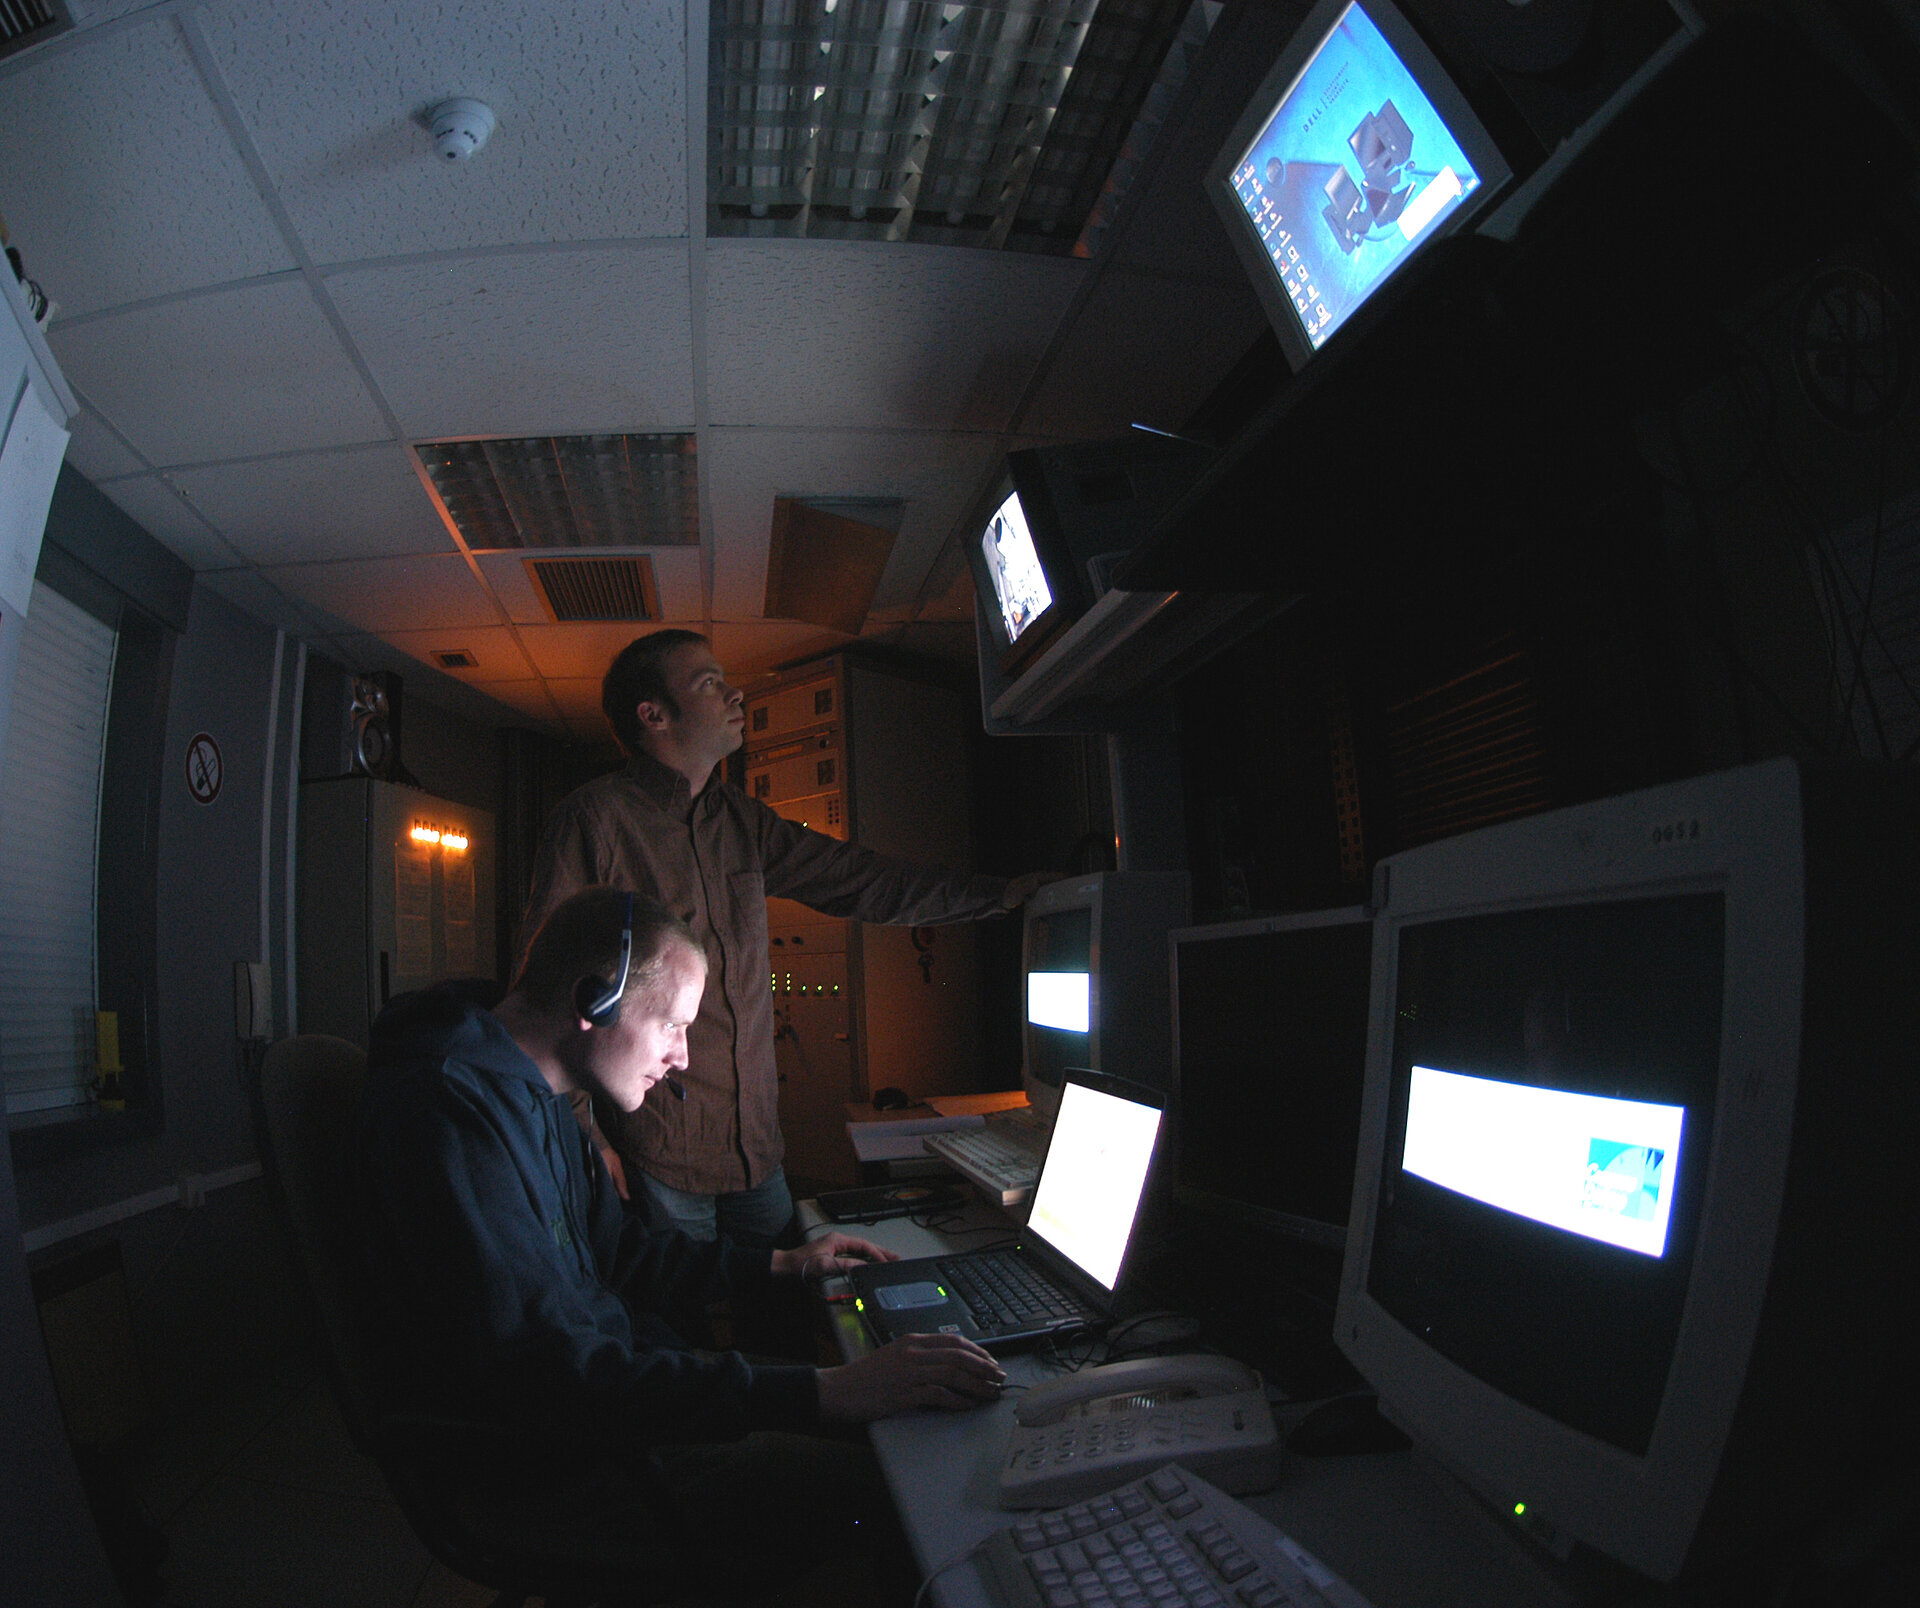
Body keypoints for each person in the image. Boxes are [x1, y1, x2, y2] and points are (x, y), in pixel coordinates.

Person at [354, 886, 1005, 1600]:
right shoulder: (453, 1115)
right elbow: (551, 1375)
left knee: (893, 1423)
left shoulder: (533, 1093)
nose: (683, 1058)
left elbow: (621, 1256)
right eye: (671, 1025)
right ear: (595, 999)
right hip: (563, 1460)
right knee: (898, 1492)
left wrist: (783, 1262)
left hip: (613, 1400)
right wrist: (823, 1391)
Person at [520, 628, 1054, 1244]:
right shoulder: (594, 820)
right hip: (656, 1157)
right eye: (709, 683)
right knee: (682, 1305)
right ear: (654, 716)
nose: (735, 694)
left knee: (786, 1297)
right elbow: (549, 993)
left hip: (757, 1155)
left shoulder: (740, 821)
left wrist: (1001, 897)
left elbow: (863, 880)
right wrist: (586, 1140)